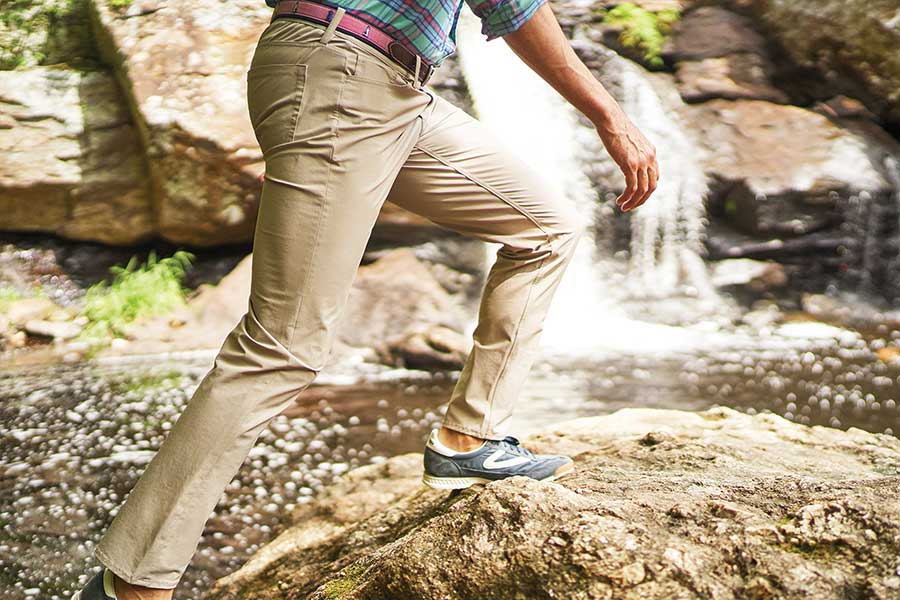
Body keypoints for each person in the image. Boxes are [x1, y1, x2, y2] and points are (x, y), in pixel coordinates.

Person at [73, 0, 657, 597]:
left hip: (394, 87)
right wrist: (609, 115)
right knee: (282, 346)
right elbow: (511, 7)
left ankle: (470, 439)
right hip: (345, 74)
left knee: (547, 228)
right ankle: (133, 583)